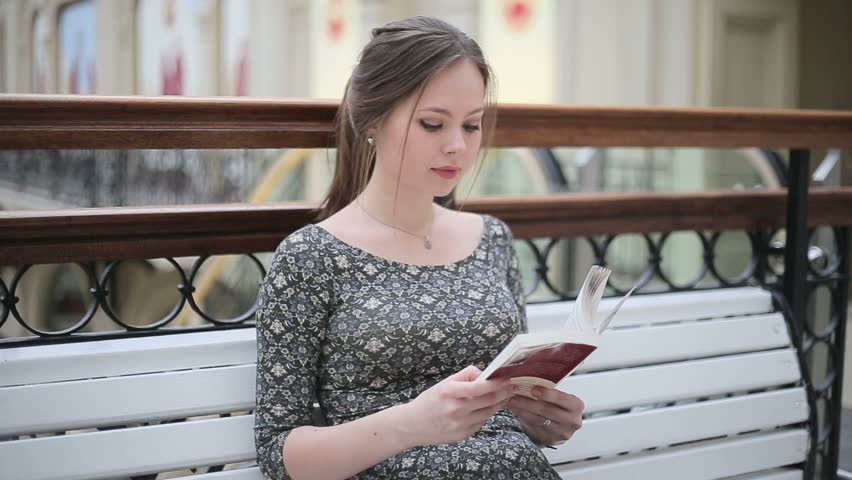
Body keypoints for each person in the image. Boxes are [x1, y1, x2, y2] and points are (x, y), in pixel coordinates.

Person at [254, 16, 584, 480]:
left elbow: (509, 397)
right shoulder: (310, 257)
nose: (457, 147)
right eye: (432, 124)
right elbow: (278, 452)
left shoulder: (491, 239)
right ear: (372, 120)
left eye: (471, 126)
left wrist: (543, 420)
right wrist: (410, 424)